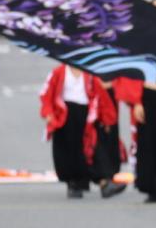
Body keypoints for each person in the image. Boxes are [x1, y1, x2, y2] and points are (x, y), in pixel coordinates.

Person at [39, 64, 127, 199]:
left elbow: (101, 96)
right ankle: (74, 184)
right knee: (69, 150)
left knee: (94, 149)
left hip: (86, 116)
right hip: (66, 116)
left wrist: (108, 119)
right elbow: (47, 94)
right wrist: (49, 113)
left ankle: (104, 183)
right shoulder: (59, 72)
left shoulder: (90, 74)